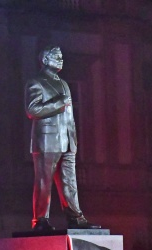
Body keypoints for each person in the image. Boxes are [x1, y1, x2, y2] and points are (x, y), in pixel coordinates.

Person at [25, 45, 98, 231]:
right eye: (56, 56)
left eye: (61, 56)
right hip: (46, 140)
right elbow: (32, 110)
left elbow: (69, 116)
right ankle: (40, 220)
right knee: (44, 182)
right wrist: (58, 103)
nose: (61, 59)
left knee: (70, 182)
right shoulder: (36, 82)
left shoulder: (64, 84)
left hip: (67, 140)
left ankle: (75, 216)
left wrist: (73, 138)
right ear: (45, 59)